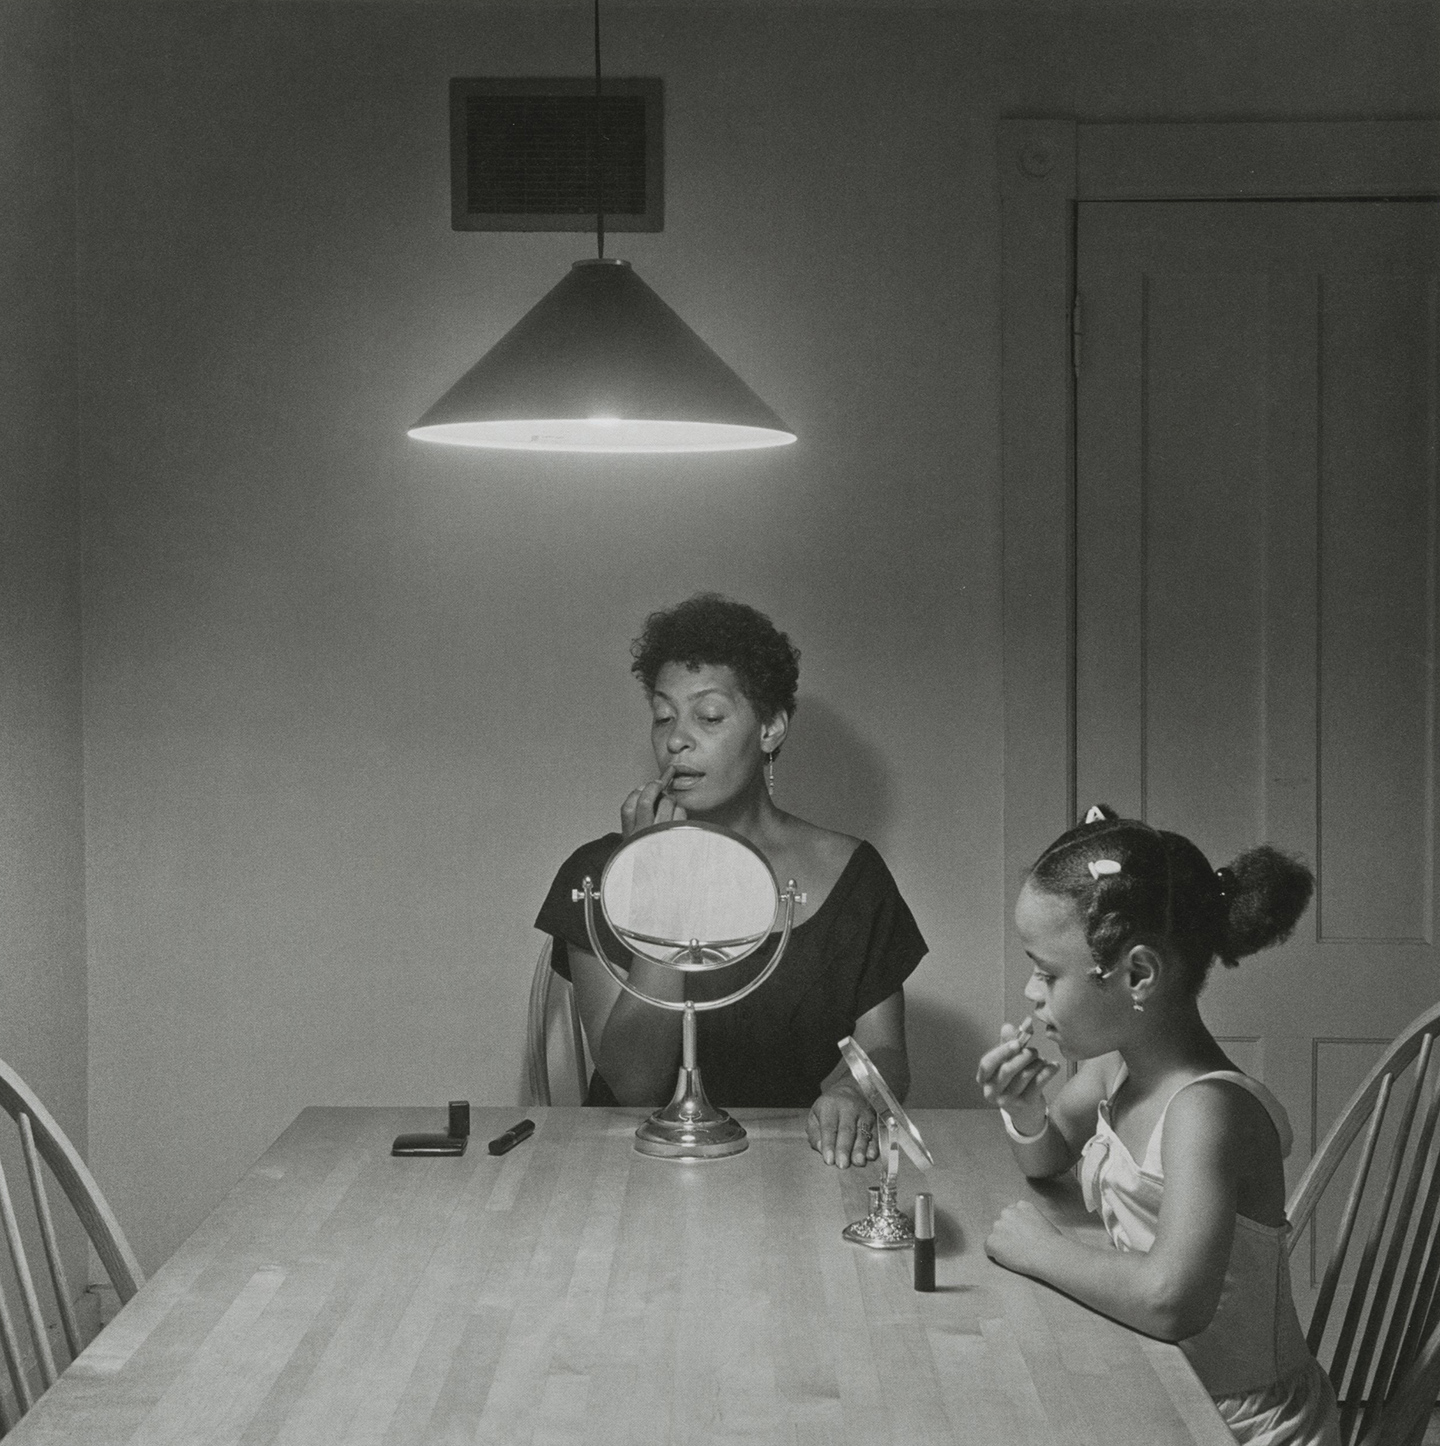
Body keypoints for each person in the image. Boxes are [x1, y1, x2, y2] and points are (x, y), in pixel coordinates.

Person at [976, 804, 1339, 1446]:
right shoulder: (1117, 1066)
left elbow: (1172, 1300)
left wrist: (1042, 1250)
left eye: (1047, 971)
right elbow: (1048, 1156)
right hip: (1162, 1379)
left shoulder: (1205, 1112)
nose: (1031, 993)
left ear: (1138, 975)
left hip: (1238, 1423)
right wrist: (1024, 1109)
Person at [535, 593, 927, 1169]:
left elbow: (886, 1049)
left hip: (800, 1168)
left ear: (770, 728)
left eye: (709, 716)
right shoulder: (599, 874)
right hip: (638, 1171)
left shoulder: (853, 874)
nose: (676, 740)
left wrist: (852, 1091)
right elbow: (633, 1082)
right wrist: (666, 885)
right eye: (664, 716)